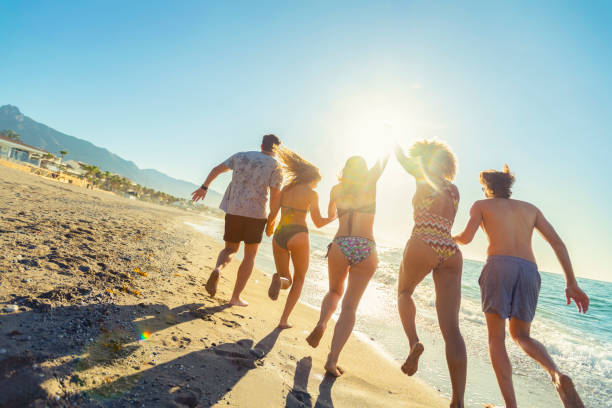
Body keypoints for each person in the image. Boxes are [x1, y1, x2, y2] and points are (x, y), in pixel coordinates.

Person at [453, 165, 589, 408]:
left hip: (498, 265)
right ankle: (556, 374)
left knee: (497, 338)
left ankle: (511, 406)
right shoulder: (530, 209)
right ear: (508, 187)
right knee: (522, 335)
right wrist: (571, 282)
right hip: (529, 270)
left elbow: (467, 238)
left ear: (487, 187)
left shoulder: (481, 205)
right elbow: (558, 243)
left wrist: (449, 236)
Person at [394, 141, 467, 408]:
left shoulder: (422, 173)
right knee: (452, 330)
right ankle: (458, 401)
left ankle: (414, 342)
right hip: (449, 249)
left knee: (404, 292)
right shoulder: (454, 189)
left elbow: (401, 156)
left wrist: (391, 134)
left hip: (423, 239)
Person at [306, 154, 388, 377]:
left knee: (334, 291)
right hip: (366, 245)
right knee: (350, 307)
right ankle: (332, 361)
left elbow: (331, 215)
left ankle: (322, 322)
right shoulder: (370, 184)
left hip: (341, 243)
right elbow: (383, 159)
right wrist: (389, 136)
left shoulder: (336, 190)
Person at [191, 134, 283, 307]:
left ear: (261, 145)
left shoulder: (241, 156)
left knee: (230, 249)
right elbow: (275, 196)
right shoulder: (276, 166)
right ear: (277, 149)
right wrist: (272, 221)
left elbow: (216, 169)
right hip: (256, 215)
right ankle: (235, 297)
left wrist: (204, 187)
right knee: (250, 256)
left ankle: (218, 269)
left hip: (234, 210)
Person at [265, 147, 335, 328]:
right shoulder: (312, 194)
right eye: (316, 183)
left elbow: (272, 214)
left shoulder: (286, 189)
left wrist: (269, 228)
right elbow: (318, 222)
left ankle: (280, 281)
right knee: (299, 279)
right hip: (298, 234)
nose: (315, 186)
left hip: (280, 233)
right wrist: (333, 217)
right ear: (311, 179)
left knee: (286, 278)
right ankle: (283, 320)